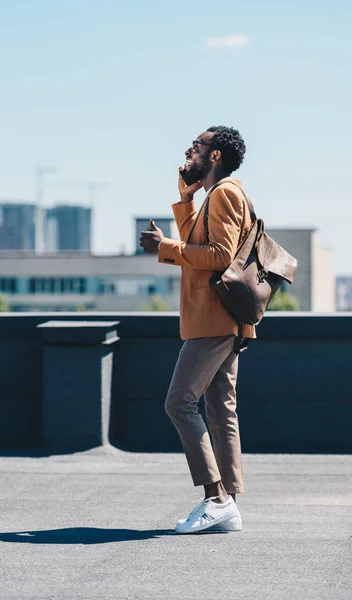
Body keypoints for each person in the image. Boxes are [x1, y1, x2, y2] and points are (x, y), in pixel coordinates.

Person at [139, 125, 256, 534]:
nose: (189, 152)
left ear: (216, 156)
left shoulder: (225, 193)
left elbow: (220, 256)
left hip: (213, 318)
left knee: (179, 403)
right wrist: (186, 198)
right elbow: (197, 242)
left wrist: (164, 247)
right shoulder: (215, 196)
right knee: (220, 409)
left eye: (197, 147)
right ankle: (228, 506)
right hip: (221, 318)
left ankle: (216, 497)